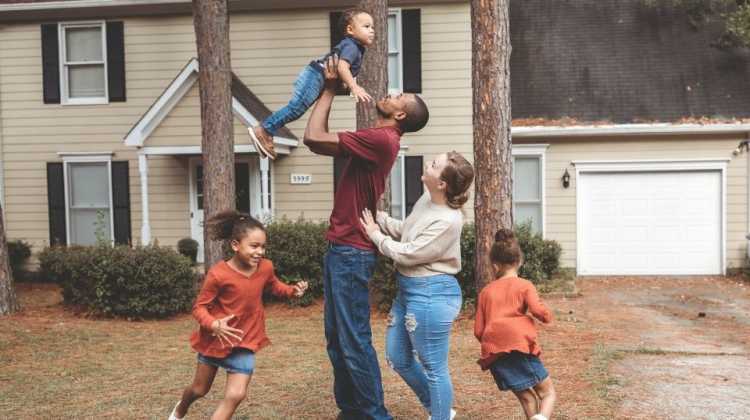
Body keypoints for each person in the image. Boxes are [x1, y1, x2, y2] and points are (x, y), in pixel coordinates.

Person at [303, 57, 430, 420]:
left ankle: (375, 415)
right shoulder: (376, 139)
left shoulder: (382, 138)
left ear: (401, 115)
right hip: (341, 248)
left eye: (399, 96)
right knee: (337, 339)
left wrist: (329, 88)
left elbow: (312, 137)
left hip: (351, 252)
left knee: (353, 339)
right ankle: (352, 412)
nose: (391, 94)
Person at [359, 151, 475, 420]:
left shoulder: (448, 220)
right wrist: (381, 219)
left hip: (432, 293)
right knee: (398, 357)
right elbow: (409, 231)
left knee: (434, 366)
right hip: (409, 290)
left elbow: (409, 252)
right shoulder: (427, 200)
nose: (427, 164)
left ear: (442, 184)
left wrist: (375, 235)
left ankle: (440, 415)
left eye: (434, 165)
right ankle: (441, 410)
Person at [168, 211, 308, 420]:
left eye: (263, 246)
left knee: (236, 395)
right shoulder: (218, 274)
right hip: (215, 341)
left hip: (245, 340)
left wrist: (292, 291)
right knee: (199, 390)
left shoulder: (265, 267)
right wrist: (213, 324)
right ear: (235, 245)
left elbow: (275, 286)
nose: (260, 251)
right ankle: (180, 409)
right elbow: (199, 308)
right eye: (254, 246)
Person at [249, 8, 375, 160]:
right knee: (296, 108)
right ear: (350, 29)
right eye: (366, 27)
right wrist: (354, 86)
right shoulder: (352, 47)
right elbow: (342, 67)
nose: (372, 31)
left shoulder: (356, 48)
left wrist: (344, 84)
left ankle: (267, 131)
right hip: (316, 76)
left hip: (316, 76)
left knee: (297, 109)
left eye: (372, 27)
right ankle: (264, 130)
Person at [474, 229, 556, 420]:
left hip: (494, 353)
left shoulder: (486, 292)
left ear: (495, 266)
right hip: (518, 346)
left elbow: (478, 330)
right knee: (548, 393)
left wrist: (493, 340)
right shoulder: (525, 285)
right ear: (520, 261)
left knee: (527, 398)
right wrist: (547, 316)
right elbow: (537, 310)